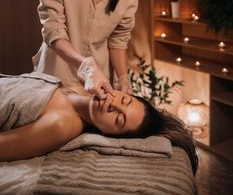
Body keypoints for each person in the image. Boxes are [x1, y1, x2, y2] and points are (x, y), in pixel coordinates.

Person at [0, 72, 198, 174]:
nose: (113, 105)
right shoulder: (77, 88)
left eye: (119, 119)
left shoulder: (62, 126)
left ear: (108, 135)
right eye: (124, 100)